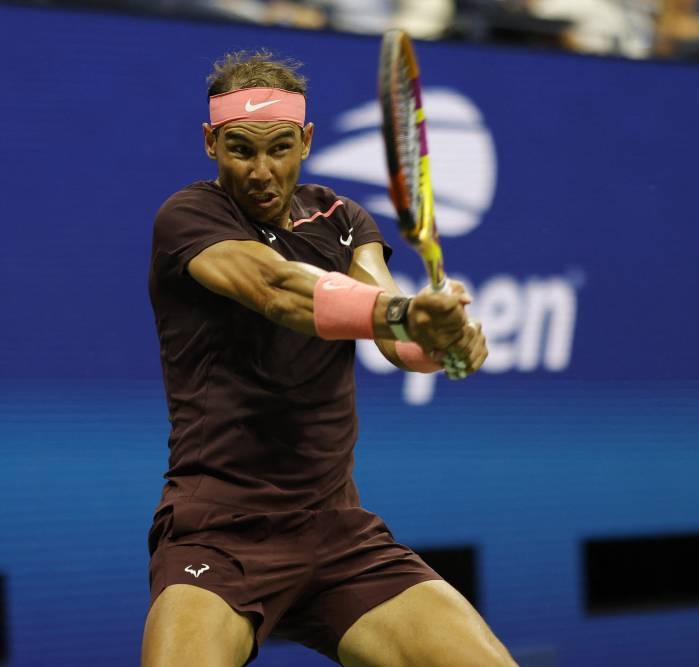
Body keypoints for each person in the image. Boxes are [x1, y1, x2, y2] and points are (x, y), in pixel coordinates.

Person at [141, 50, 515, 667]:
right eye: (241, 149)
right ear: (210, 143)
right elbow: (277, 289)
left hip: (337, 532)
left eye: (281, 147)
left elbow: (397, 339)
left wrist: (441, 340)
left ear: (307, 140)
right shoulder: (189, 217)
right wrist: (403, 313)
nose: (262, 171)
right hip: (221, 531)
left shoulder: (342, 221)